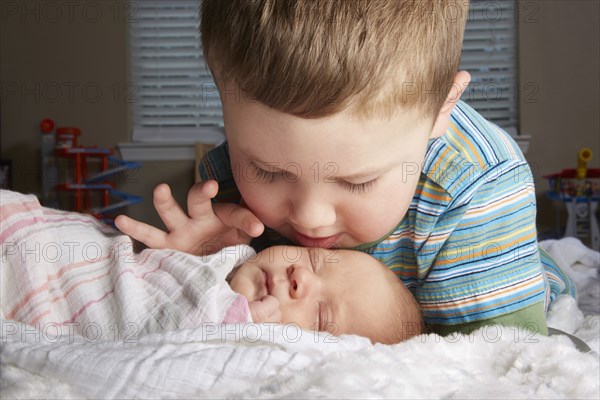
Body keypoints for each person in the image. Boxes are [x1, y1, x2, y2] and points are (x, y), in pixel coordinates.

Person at [116, 1, 575, 335]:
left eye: (359, 180)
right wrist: (203, 265)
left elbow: (506, 360)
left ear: (442, 110)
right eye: (271, 172)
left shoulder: (478, 186)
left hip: (493, 265)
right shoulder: (226, 177)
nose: (310, 217)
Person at [0, 190, 422, 344]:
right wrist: (187, 255)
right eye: (315, 261)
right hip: (34, 236)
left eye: (321, 315)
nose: (302, 278)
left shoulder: (243, 349)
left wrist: (231, 321)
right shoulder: (229, 252)